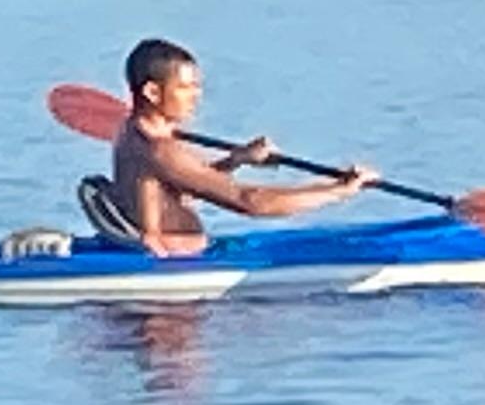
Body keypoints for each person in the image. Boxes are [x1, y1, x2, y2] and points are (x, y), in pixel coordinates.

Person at [106, 37, 375, 256]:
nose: (196, 96)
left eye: (197, 87)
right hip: (174, 269)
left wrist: (237, 159)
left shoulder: (131, 132)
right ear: (153, 92)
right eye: (186, 88)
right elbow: (251, 202)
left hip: (168, 256)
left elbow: (181, 182)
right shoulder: (160, 150)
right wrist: (339, 191)